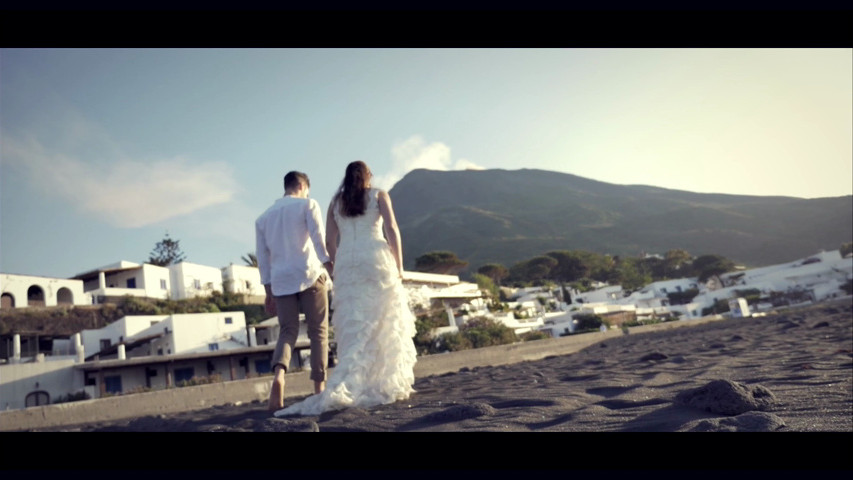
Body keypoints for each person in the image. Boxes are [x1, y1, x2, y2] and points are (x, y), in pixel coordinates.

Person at [274, 160, 417, 417]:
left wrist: (333, 268)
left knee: (355, 324)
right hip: (375, 257)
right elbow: (392, 229)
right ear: (367, 177)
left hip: (348, 265)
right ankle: (381, 382)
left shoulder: (335, 202)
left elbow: (330, 240)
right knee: (383, 319)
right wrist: (400, 265)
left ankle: (350, 380)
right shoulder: (379, 195)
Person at [256, 171, 334, 411]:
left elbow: (262, 257)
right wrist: (329, 266)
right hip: (309, 274)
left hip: (280, 281)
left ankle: (279, 375)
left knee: (287, 331)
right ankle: (319, 389)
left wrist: (268, 289)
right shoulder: (308, 204)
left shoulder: (263, 218)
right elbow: (318, 238)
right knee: (318, 331)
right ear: (301, 185)